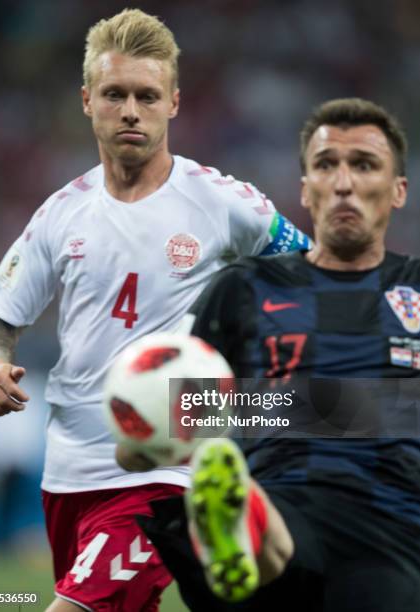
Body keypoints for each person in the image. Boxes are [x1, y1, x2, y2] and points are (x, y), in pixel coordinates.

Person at [0, 8, 310, 612]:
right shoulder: (61, 212)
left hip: (164, 468)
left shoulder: (224, 202)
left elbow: (314, 276)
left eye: (147, 96)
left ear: (174, 103)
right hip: (69, 472)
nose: (131, 109)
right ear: (86, 100)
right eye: (115, 94)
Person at [138, 98, 420, 611]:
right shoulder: (245, 287)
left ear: (398, 190)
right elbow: (185, 414)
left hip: (391, 521)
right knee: (276, 537)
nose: (343, 183)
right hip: (285, 489)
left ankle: (248, 525)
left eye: (363, 165)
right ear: (305, 189)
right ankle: (243, 519)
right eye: (326, 165)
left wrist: (284, 405)